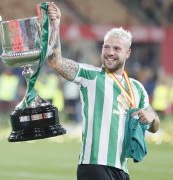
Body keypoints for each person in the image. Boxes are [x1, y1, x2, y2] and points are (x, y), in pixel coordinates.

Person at [47, 3, 160, 180]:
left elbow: (154, 126)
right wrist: (55, 25)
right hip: (94, 165)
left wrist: (151, 116)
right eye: (106, 47)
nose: (110, 52)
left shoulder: (136, 88)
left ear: (128, 53)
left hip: (122, 169)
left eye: (116, 49)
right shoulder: (90, 75)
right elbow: (55, 61)